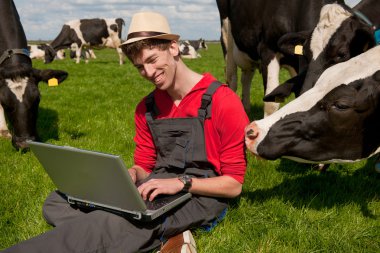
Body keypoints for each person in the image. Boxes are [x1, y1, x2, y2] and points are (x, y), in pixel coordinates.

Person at [3, 11, 249, 253]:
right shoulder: (146, 108)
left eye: (152, 60)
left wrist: (181, 183)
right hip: (156, 190)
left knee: (103, 225)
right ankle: (151, 230)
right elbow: (144, 165)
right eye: (140, 67)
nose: (149, 74)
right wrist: (131, 174)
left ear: (173, 47)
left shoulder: (222, 100)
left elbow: (234, 185)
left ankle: (121, 228)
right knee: (57, 201)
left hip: (199, 194)